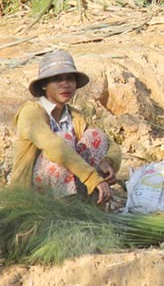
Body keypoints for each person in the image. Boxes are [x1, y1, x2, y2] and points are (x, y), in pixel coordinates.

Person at [10, 50, 121, 205]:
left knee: (95, 136)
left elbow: (109, 143)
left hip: (74, 187)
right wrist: (91, 177)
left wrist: (108, 162)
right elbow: (54, 146)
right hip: (34, 197)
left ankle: (86, 202)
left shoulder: (74, 116)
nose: (65, 84)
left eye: (70, 79)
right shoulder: (31, 112)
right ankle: (63, 209)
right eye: (57, 79)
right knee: (64, 139)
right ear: (44, 85)